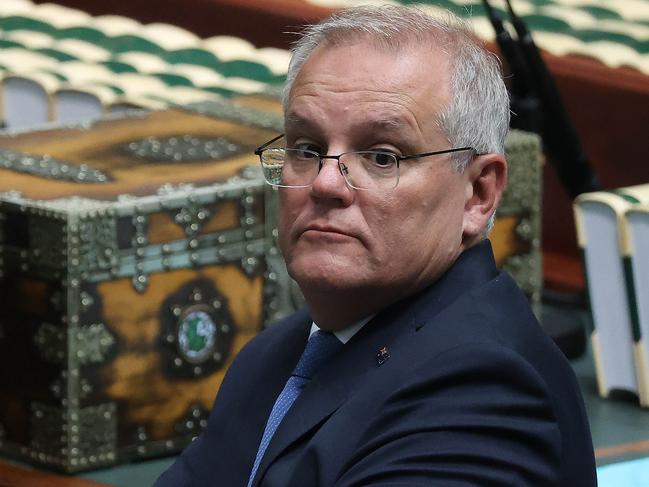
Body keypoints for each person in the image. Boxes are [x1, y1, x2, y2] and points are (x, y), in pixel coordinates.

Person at [156, 5, 596, 486]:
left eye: (383, 157)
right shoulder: (275, 356)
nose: (326, 183)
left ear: (478, 193)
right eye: (307, 149)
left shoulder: (482, 389)